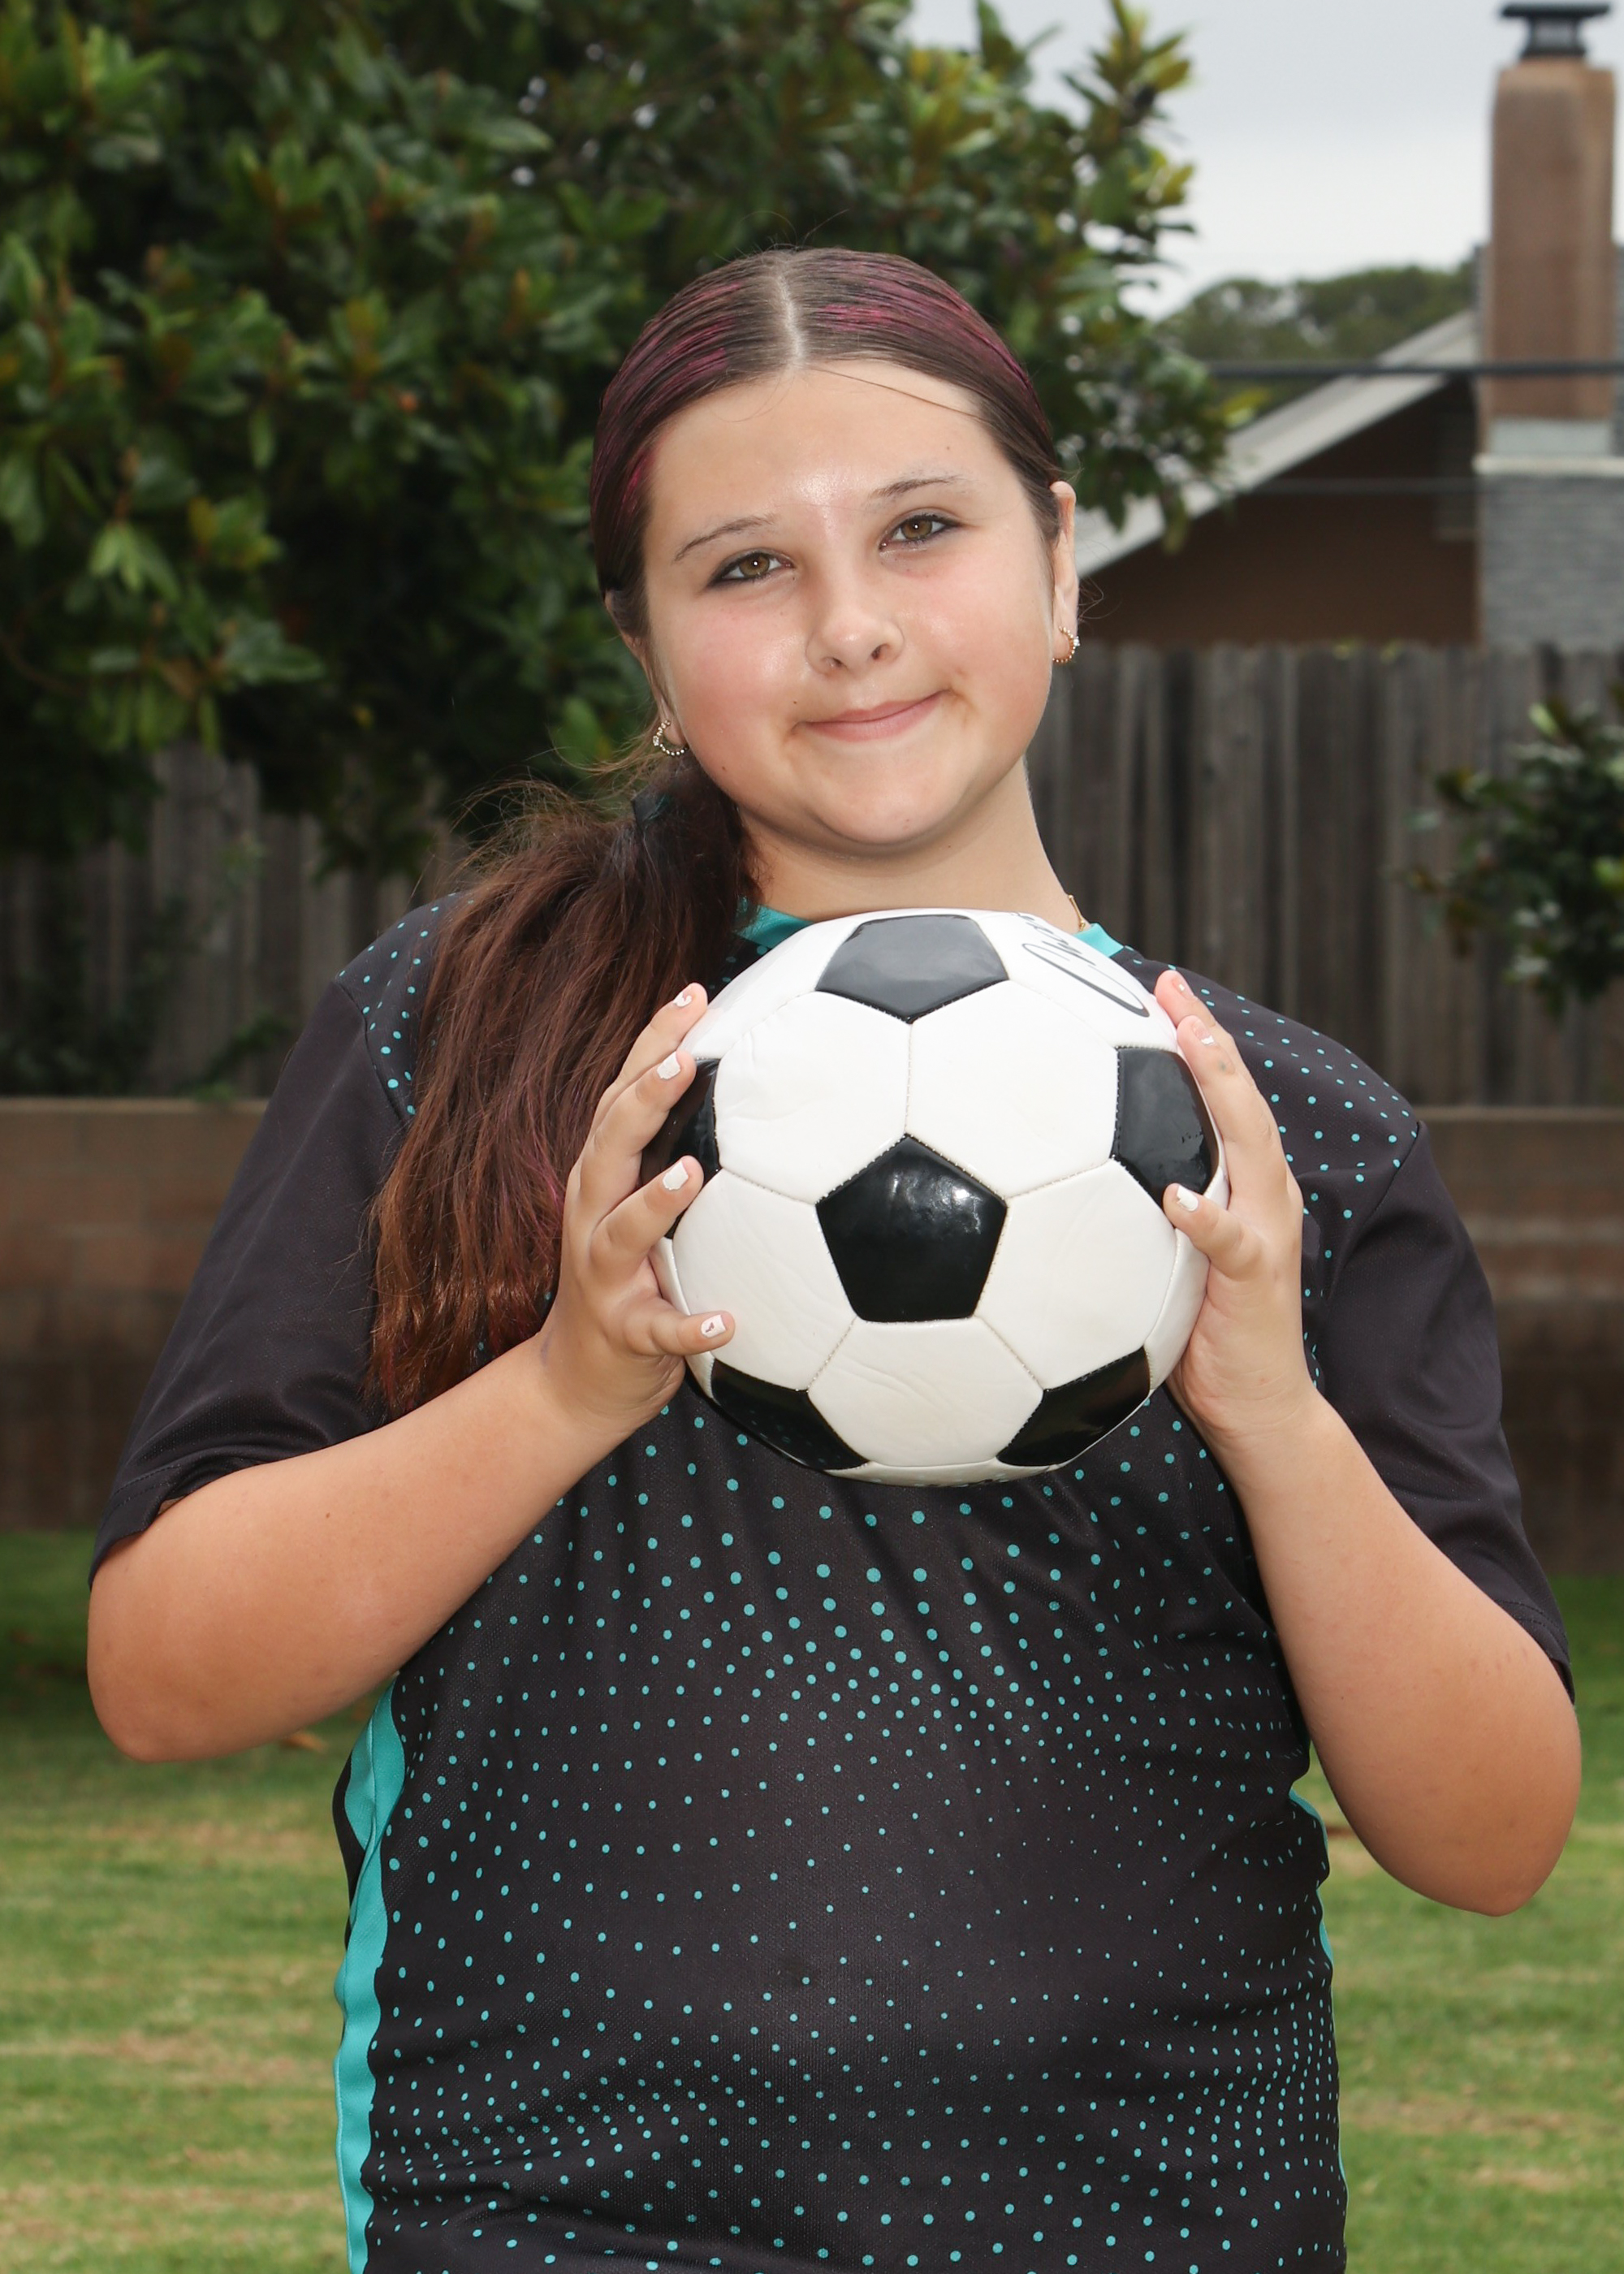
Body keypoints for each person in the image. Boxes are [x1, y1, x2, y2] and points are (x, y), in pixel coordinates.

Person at [87, 249, 1579, 2274]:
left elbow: (1489, 1836)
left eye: (922, 529)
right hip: (547, 2210)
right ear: (644, 646)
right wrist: (566, 1384)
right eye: (744, 567)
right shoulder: (461, 1039)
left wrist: (1272, 1412)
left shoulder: (1291, 1134)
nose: (851, 623)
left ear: (1061, 559)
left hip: (1162, 2215)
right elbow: (166, 1672)